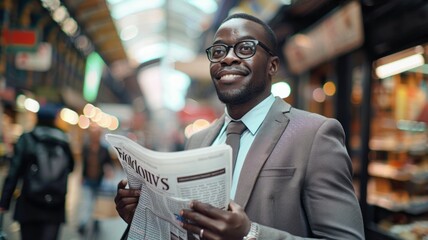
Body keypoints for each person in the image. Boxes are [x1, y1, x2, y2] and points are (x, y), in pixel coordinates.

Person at [114, 13, 365, 239]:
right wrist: (144, 215)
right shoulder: (198, 140)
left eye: (245, 48)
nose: (228, 58)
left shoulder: (314, 135)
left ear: (272, 66)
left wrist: (250, 234)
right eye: (219, 51)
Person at [0, 104, 75, 240]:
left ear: (37, 118)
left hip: (29, 204)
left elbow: (14, 172)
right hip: (55, 205)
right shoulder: (64, 141)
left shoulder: (27, 138)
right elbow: (71, 167)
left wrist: (4, 202)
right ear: (54, 120)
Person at [77, 122, 114, 235]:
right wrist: (82, 177)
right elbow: (83, 164)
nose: (95, 136)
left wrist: (108, 170)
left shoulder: (104, 149)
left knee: (98, 204)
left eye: (97, 134)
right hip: (88, 180)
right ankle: (83, 224)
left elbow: (109, 163)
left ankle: (96, 222)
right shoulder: (86, 148)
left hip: (99, 180)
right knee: (87, 203)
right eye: (93, 134)